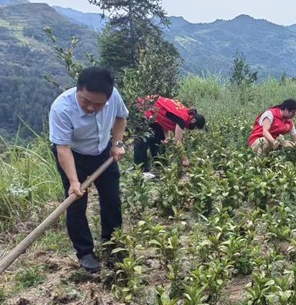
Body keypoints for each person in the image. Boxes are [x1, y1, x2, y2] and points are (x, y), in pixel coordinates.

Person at [49, 66, 128, 273]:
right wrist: (74, 181)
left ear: (108, 97)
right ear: (78, 90)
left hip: (102, 151)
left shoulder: (115, 97)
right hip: (73, 155)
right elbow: (63, 148)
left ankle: (112, 245)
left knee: (111, 199)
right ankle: (85, 252)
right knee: (76, 202)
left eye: (98, 104)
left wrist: (117, 143)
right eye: (85, 101)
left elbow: (121, 117)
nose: (91, 107)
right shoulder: (62, 108)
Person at [133, 96, 205, 178]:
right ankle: (142, 171)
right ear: (193, 121)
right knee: (143, 139)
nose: (192, 129)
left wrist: (166, 136)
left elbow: (166, 116)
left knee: (159, 139)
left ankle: (159, 166)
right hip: (144, 107)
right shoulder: (182, 119)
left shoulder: (185, 113)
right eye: (195, 127)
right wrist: (185, 160)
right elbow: (178, 143)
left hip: (154, 113)